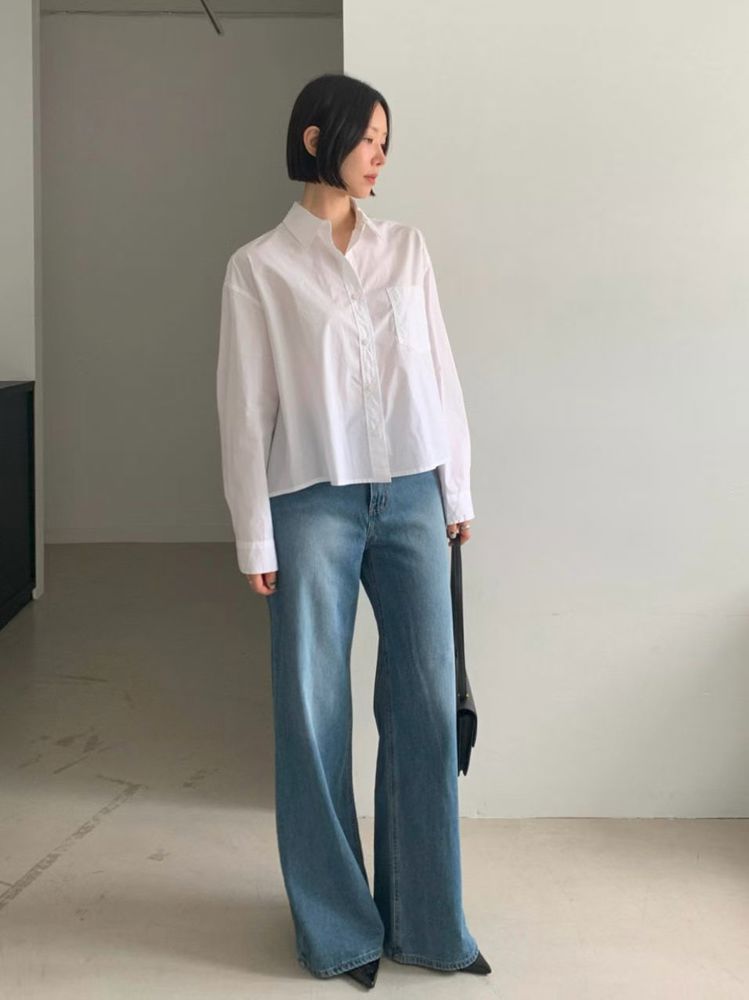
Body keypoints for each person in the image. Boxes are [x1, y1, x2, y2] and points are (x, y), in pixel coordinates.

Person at [216, 72, 490, 988]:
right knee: (313, 712)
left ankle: (427, 923)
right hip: (310, 503)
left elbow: (439, 373)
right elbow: (244, 410)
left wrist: (455, 490)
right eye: (368, 138)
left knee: (425, 705)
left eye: (384, 141)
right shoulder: (259, 267)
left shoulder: (406, 250)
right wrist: (254, 535)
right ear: (315, 138)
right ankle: (338, 931)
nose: (379, 155)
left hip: (411, 495)